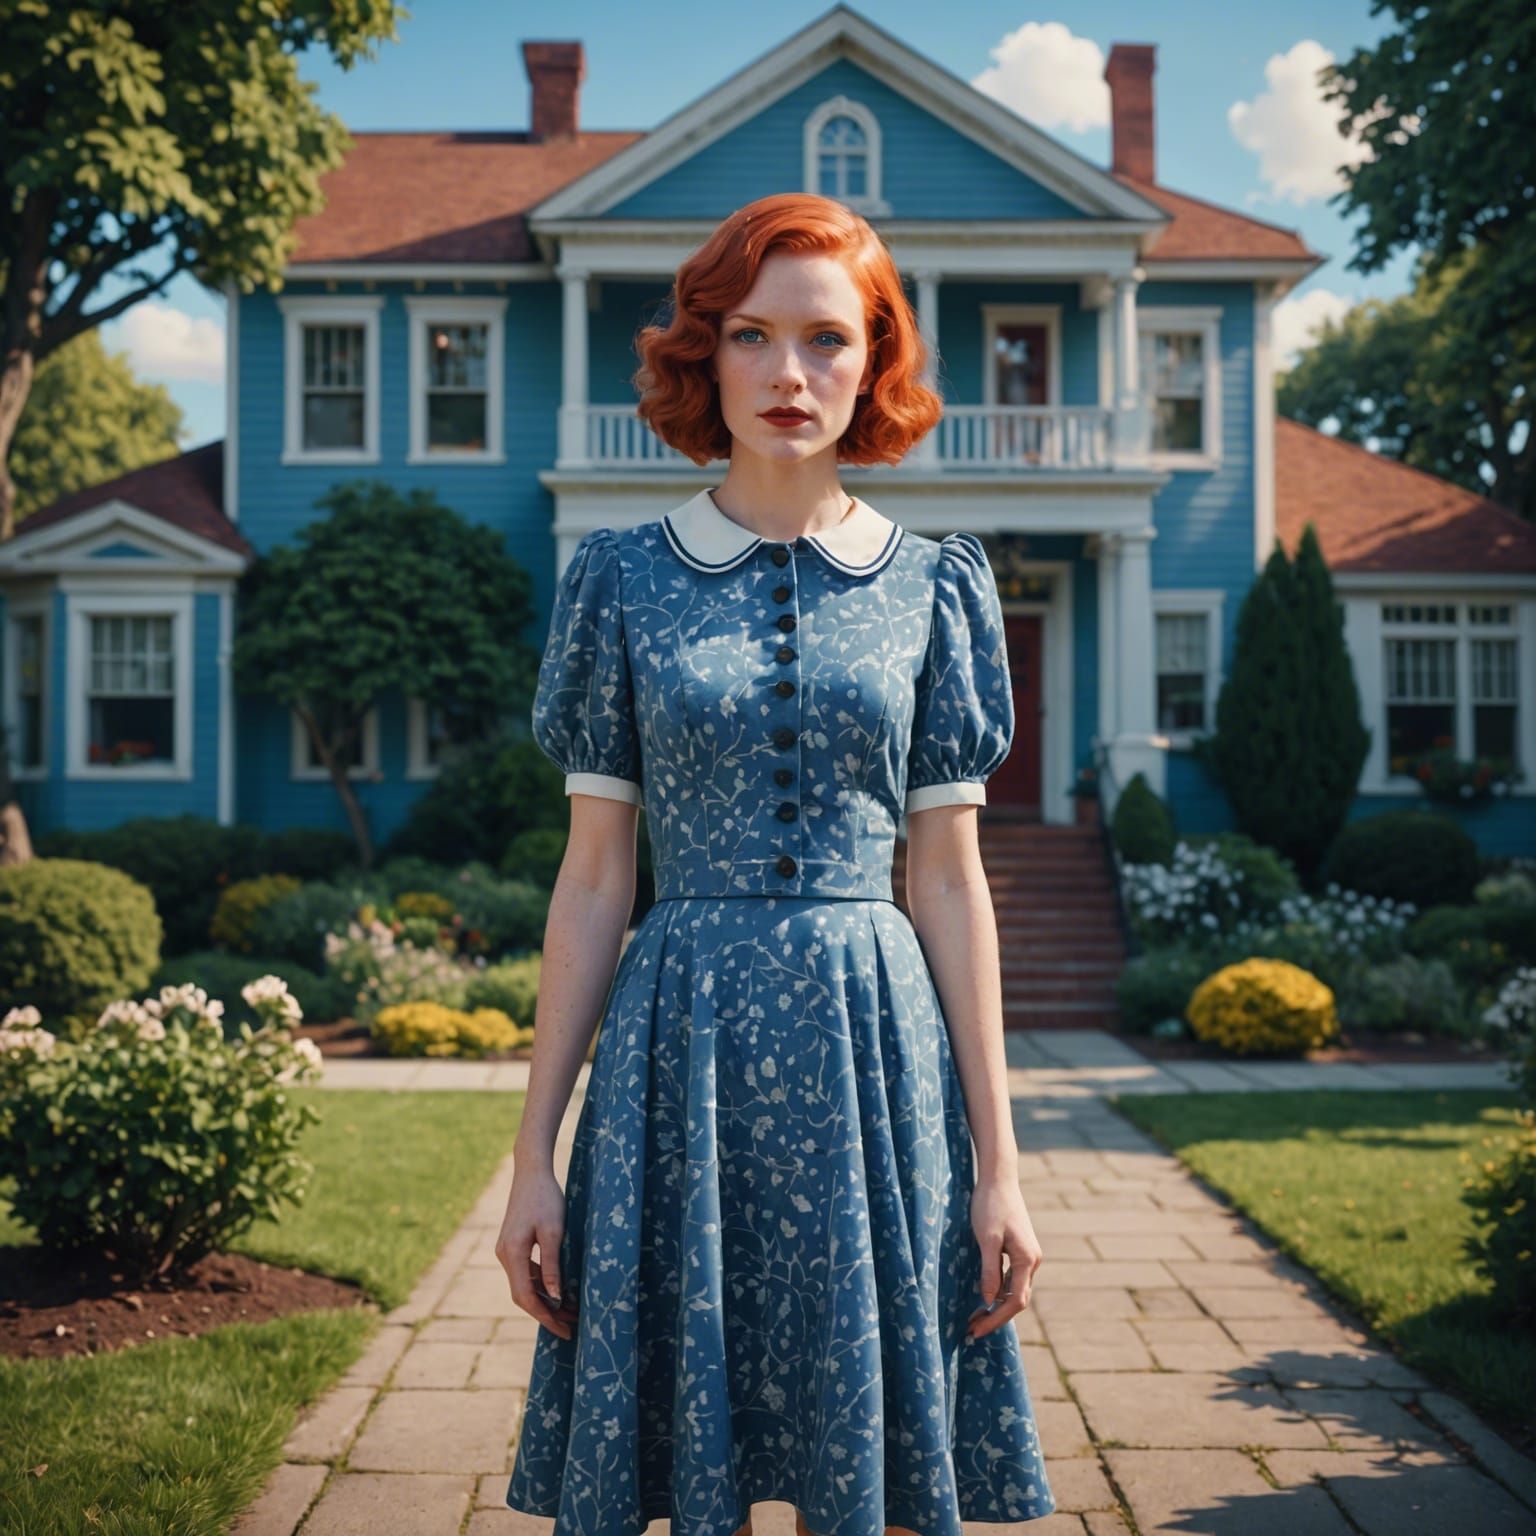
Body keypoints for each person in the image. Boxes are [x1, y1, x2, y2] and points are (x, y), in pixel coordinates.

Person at [498, 191, 1055, 1536]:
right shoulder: (621, 581)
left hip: (877, 1057)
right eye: (751, 337)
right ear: (706, 354)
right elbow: (591, 879)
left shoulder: (935, 587)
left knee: (858, 1451)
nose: (789, 374)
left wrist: (1001, 1163)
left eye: (825, 338)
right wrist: (533, 1153)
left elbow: (946, 882)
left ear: (874, 361)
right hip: (675, 1052)